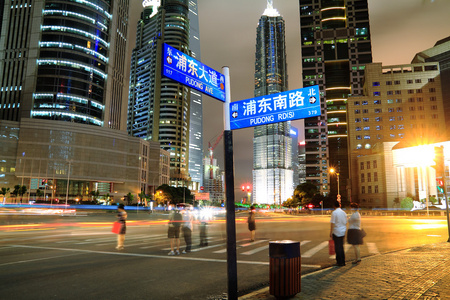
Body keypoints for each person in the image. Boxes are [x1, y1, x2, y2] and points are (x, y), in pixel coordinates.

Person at [330, 200, 347, 266]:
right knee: (341, 246)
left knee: (337, 247)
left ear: (334, 206)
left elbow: (332, 223)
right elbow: (345, 222)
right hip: (343, 231)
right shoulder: (344, 213)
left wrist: (331, 232)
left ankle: (339, 262)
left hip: (336, 231)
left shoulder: (334, 213)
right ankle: (343, 261)